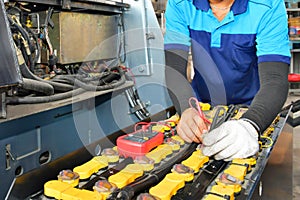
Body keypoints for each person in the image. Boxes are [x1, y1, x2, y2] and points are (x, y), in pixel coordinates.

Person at [164, 0, 290, 160]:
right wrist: (186, 108)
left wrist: (250, 125)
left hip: (253, 107)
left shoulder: (268, 5)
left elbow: (275, 79)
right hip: (202, 109)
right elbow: (174, 68)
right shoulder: (181, 3)